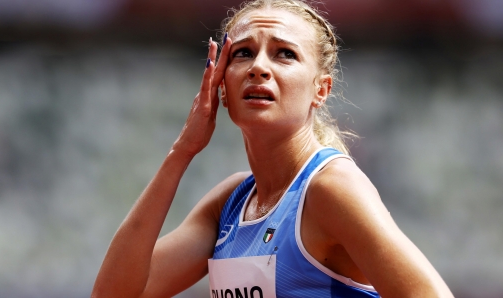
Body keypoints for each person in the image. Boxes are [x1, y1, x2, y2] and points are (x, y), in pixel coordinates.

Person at [92, 0, 454, 297]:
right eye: (243, 54)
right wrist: (182, 151)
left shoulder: (330, 190)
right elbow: (115, 294)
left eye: (284, 54)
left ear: (321, 90)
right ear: (220, 84)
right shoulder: (229, 203)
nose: (259, 68)